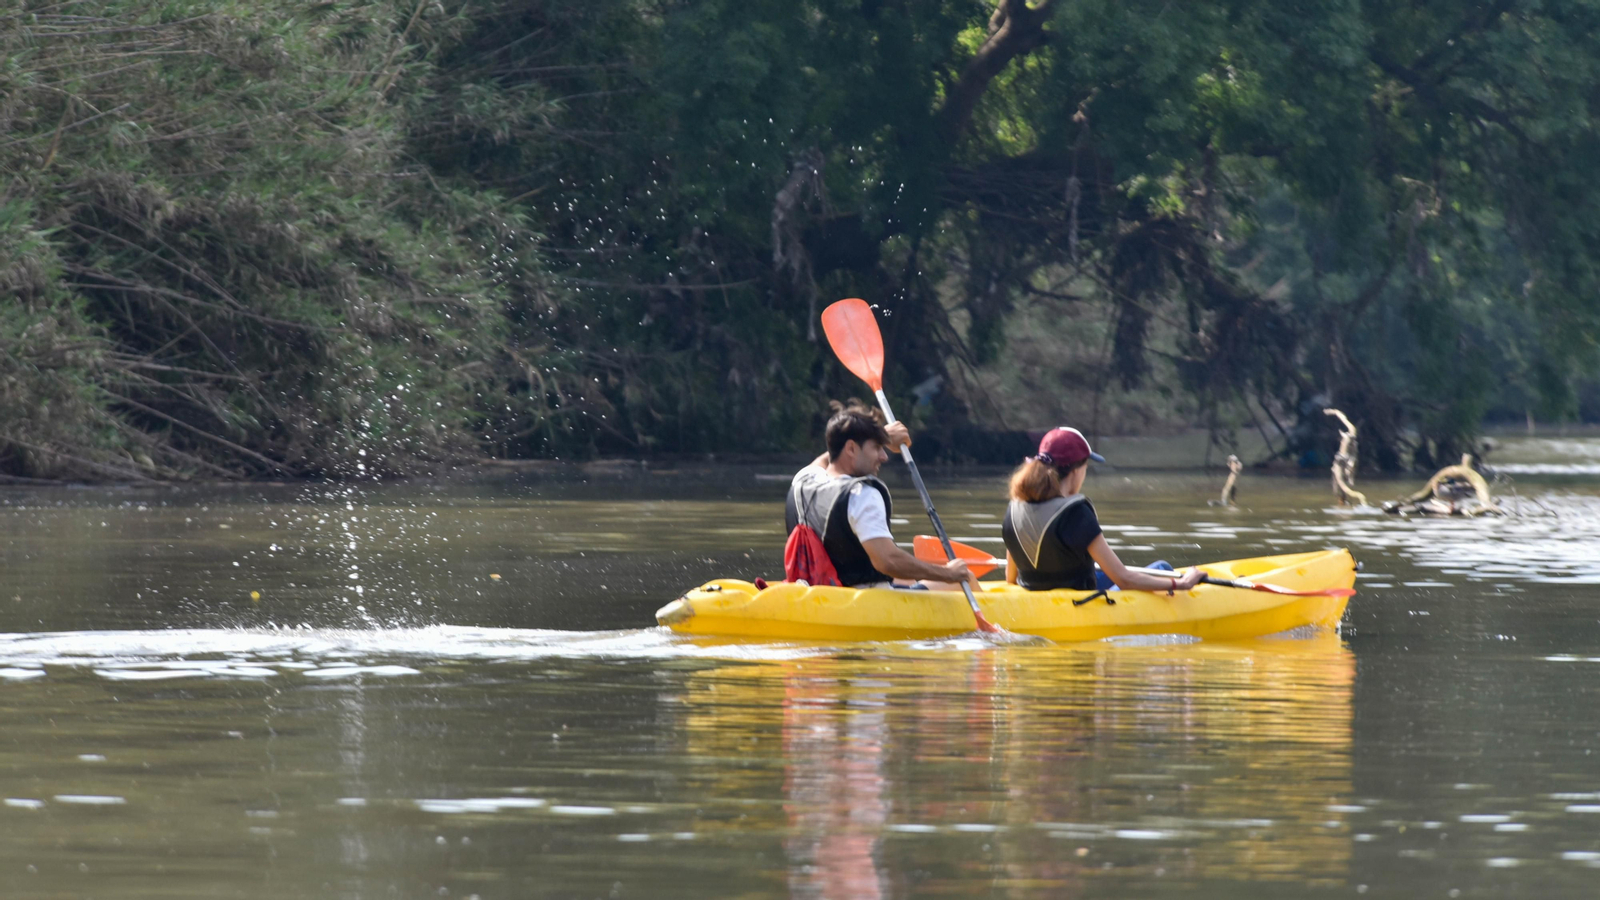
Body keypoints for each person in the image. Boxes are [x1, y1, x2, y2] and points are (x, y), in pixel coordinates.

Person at [786, 401, 975, 590]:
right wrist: (948, 573)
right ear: (851, 449)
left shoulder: (803, 482)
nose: (884, 456)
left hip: (822, 594)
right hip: (866, 604)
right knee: (966, 578)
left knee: (907, 579)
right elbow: (888, 561)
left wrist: (879, 435)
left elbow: (828, 456)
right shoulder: (861, 494)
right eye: (877, 447)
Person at [1001, 427, 1204, 595]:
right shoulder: (1075, 513)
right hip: (1079, 605)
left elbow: (1011, 579)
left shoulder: (1015, 508)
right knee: (1161, 569)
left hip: (1037, 601)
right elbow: (1123, 579)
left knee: (1104, 573)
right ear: (1076, 470)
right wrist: (1182, 584)